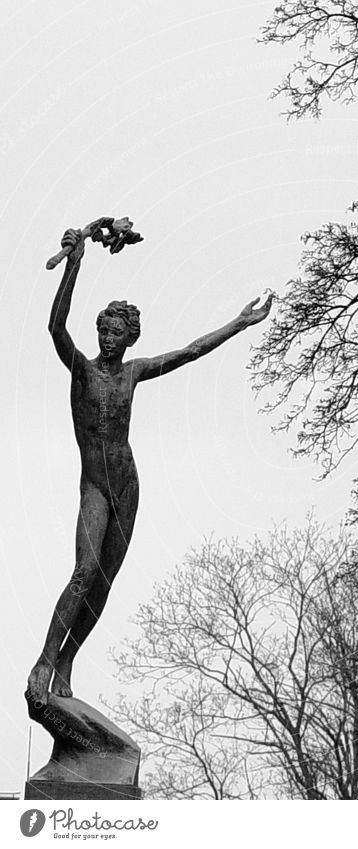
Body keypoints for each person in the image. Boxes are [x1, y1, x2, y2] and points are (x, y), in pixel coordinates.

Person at [27, 228, 273, 705]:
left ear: (129, 337)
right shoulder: (82, 369)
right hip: (95, 487)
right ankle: (43, 659)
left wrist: (239, 323)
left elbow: (190, 351)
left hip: (128, 486)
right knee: (83, 570)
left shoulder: (134, 372)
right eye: (103, 331)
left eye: (116, 333)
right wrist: (75, 264)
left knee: (103, 583)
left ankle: (67, 660)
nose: (108, 339)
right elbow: (56, 328)